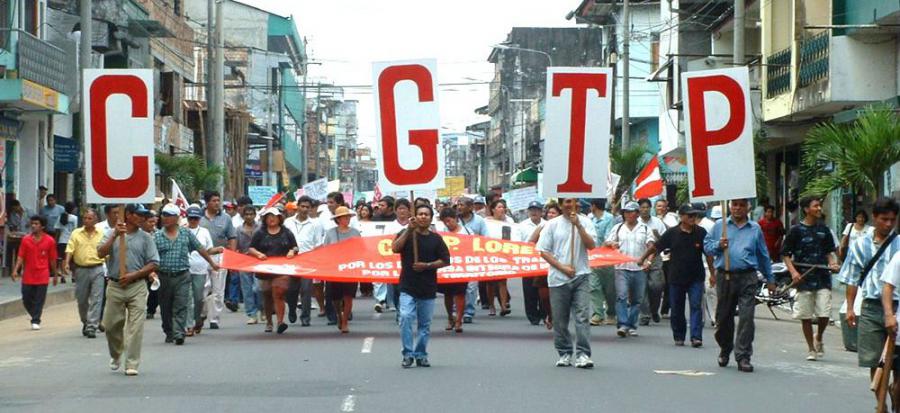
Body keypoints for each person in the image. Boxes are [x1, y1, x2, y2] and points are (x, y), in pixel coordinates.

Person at [838, 198, 900, 407]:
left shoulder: (899, 245)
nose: (889, 224)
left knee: (897, 368)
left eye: (892, 220)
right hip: (871, 308)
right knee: (875, 360)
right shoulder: (861, 244)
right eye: (884, 219)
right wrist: (849, 308)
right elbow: (852, 278)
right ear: (874, 218)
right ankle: (880, 404)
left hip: (898, 309)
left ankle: (895, 391)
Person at [704, 198, 774, 373]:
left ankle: (743, 355)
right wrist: (719, 245)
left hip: (748, 277)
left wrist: (770, 279)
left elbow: (763, 255)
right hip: (725, 277)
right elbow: (707, 247)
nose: (738, 208)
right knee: (723, 317)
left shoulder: (755, 229)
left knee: (746, 317)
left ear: (748, 208)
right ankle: (725, 348)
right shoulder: (720, 226)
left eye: (742, 205)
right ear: (730, 206)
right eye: (735, 204)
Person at [97, 204, 159, 376]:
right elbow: (100, 253)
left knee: (135, 326)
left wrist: (135, 275)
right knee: (110, 325)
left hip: (137, 286)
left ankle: (131, 363)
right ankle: (116, 354)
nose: (143, 219)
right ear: (129, 215)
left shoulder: (146, 238)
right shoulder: (113, 233)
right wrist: (115, 235)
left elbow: (154, 262)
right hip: (115, 285)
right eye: (140, 215)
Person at [536, 198, 597, 369]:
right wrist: (562, 268)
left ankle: (583, 354)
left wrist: (578, 225)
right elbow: (543, 251)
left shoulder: (585, 221)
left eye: (573, 202)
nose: (570, 206)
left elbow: (591, 245)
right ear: (561, 205)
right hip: (558, 279)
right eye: (566, 203)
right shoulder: (552, 224)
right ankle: (564, 352)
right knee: (560, 320)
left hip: (581, 276)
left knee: (582, 316)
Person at [781, 197, 841, 361]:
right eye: (815, 206)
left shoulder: (824, 230)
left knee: (824, 313)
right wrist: (793, 272)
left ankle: (819, 336)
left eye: (819, 206)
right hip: (803, 279)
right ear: (806, 209)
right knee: (806, 316)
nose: (819, 208)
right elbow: (785, 254)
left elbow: (830, 252)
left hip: (822, 278)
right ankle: (811, 348)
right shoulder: (795, 231)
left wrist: (833, 264)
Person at [392, 204, 451, 368]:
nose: (423, 216)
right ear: (415, 217)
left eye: (426, 214)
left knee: (424, 325)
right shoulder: (406, 234)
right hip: (407, 286)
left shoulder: (436, 239)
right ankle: (408, 354)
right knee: (405, 317)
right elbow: (395, 248)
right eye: (420, 214)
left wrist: (427, 265)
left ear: (431, 218)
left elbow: (446, 260)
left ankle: (421, 353)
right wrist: (408, 230)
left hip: (428, 287)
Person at [154, 204, 218, 345]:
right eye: (164, 214)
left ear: (177, 217)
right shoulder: (157, 236)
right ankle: (169, 330)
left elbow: (200, 248)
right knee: (166, 307)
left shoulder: (186, 233)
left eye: (169, 215)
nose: (165, 218)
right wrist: (152, 274)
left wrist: (212, 263)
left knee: (181, 304)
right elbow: (152, 257)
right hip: (164, 276)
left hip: (182, 275)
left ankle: (179, 333)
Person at [651, 204, 711, 347]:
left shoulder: (701, 232)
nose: (692, 218)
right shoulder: (672, 233)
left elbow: (708, 254)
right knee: (677, 308)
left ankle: (696, 337)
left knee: (696, 305)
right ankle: (679, 335)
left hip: (696, 276)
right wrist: (645, 259)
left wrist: (713, 273)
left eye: (695, 216)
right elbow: (656, 247)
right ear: (681, 217)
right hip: (676, 277)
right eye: (689, 215)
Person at [605, 201, 656, 338]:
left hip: (639, 268)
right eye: (626, 212)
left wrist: (648, 261)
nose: (628, 214)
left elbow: (652, 246)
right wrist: (612, 244)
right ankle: (622, 324)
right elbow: (607, 243)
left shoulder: (644, 229)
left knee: (637, 299)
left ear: (637, 213)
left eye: (631, 212)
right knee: (621, 296)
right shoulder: (618, 228)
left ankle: (632, 324)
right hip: (621, 268)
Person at [248, 207, 299, 334]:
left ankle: (280, 321)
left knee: (278, 292)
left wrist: (292, 251)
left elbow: (295, 246)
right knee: (267, 294)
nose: (272, 219)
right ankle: (269, 321)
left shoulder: (286, 232)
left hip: (282, 268)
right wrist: (258, 254)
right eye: (269, 216)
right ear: (265, 219)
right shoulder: (260, 233)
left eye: (274, 216)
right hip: (265, 269)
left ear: (279, 218)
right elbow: (251, 248)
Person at [284, 196, 326, 326]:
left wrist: (316, 261)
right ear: (298, 206)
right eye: (302, 206)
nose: (305, 209)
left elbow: (318, 244)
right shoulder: (287, 222)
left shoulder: (315, 224)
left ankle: (305, 317)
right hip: (290, 259)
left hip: (307, 260)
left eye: (307, 207)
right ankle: (292, 309)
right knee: (290, 289)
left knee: (306, 289)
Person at [12, 215, 59, 330]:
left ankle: (36, 319)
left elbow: (52, 259)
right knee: (26, 297)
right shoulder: (26, 240)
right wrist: (15, 270)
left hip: (43, 274)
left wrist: (55, 274)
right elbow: (20, 256)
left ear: (42, 226)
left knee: (39, 298)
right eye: (32, 223)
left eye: (36, 224)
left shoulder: (49, 241)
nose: (33, 226)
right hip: (28, 274)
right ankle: (35, 314)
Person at [64, 209, 105, 338]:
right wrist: (66, 263)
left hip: (98, 268)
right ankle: (86, 322)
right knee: (81, 299)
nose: (87, 221)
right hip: (81, 269)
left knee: (96, 299)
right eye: (85, 218)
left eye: (90, 218)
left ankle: (92, 326)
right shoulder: (76, 233)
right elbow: (70, 248)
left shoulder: (102, 234)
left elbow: (107, 251)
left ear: (96, 220)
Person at [199, 191, 237, 330]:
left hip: (220, 256)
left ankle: (214, 318)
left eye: (218, 200)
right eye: (214, 200)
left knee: (218, 289)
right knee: (202, 288)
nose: (217, 203)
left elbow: (232, 237)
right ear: (207, 202)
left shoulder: (226, 218)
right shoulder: (199, 217)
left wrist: (231, 258)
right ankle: (201, 313)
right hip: (201, 257)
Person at [324, 206, 361, 333]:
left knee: (348, 296)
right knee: (335, 298)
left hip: (350, 269)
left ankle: (345, 321)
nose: (347, 219)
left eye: (348, 217)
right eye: (344, 217)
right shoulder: (330, 233)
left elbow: (360, 249)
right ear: (338, 219)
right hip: (334, 269)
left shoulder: (355, 232)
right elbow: (326, 250)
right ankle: (339, 316)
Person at [184, 206, 217, 335]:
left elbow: (209, 250)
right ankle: (189, 325)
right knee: (188, 298)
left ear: (199, 219)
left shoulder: (204, 232)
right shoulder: (182, 231)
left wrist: (216, 257)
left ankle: (198, 319)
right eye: (190, 218)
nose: (193, 221)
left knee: (198, 298)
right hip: (185, 269)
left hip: (200, 269)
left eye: (195, 218)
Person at [484, 200, 520, 317]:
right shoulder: (486, 222)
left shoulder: (509, 222)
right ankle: (491, 305)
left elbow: (514, 236)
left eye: (503, 207)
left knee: (502, 280)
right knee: (490, 282)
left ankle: (503, 305)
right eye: (499, 207)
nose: (502, 209)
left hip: (503, 253)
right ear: (493, 209)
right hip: (489, 253)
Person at [455, 196, 488, 324]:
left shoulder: (479, 221)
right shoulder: (454, 220)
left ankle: (468, 311)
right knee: (456, 285)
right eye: (458, 205)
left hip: (473, 258)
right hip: (457, 258)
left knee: (471, 286)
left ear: (470, 207)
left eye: (462, 205)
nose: (459, 207)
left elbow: (486, 238)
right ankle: (456, 309)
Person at [437, 208, 469, 333]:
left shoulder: (466, 232)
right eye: (445, 222)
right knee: (448, 294)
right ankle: (450, 317)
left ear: (455, 218)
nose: (447, 224)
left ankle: (459, 320)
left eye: (449, 221)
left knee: (460, 293)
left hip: (461, 267)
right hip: (446, 267)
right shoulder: (441, 233)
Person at [637, 198, 668, 325]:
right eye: (642, 207)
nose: (645, 210)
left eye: (647, 207)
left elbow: (665, 240)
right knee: (641, 287)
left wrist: (657, 236)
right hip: (639, 258)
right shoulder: (636, 222)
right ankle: (645, 314)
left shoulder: (657, 222)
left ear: (651, 208)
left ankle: (654, 309)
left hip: (655, 257)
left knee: (656, 286)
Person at [232, 205, 262, 325]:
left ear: (255, 215)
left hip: (259, 261)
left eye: (251, 214)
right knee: (247, 288)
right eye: (247, 214)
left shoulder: (260, 228)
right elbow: (236, 247)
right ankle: (252, 314)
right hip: (244, 261)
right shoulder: (238, 230)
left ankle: (263, 309)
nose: (249, 216)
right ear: (243, 216)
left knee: (258, 287)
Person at [589, 198, 617, 326]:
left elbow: (609, 237)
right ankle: (597, 314)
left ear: (594, 206)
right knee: (594, 286)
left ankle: (611, 313)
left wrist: (608, 242)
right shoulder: (590, 219)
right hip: (592, 258)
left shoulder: (609, 218)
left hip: (606, 258)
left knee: (609, 288)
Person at [519, 201, 546, 325]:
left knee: (543, 289)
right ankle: (532, 315)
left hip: (545, 260)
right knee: (529, 290)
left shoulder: (548, 225)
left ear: (541, 212)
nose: (534, 212)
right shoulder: (522, 226)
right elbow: (517, 243)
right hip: (528, 261)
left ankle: (544, 312)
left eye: (537, 209)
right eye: (532, 210)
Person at [141, 210, 160, 320]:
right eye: (150, 222)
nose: (152, 224)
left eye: (154, 222)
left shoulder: (158, 234)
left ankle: (151, 310)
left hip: (153, 266)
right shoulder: (138, 234)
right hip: (139, 266)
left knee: (154, 289)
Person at [56, 202, 78, 279]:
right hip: (71, 240)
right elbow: (75, 230)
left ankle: (62, 275)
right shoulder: (74, 218)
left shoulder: (60, 217)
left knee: (63, 258)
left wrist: (56, 240)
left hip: (62, 240)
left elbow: (57, 229)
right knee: (73, 259)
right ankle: (73, 276)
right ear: (72, 209)